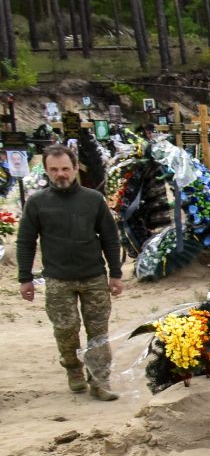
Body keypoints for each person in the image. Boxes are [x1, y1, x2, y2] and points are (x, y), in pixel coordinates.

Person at [16, 142, 123, 400]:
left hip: (94, 277)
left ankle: (100, 380)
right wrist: (25, 278)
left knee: (98, 332)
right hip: (57, 279)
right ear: (46, 171)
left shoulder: (93, 200)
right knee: (65, 329)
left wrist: (116, 274)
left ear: (76, 168)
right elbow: (26, 241)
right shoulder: (37, 203)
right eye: (54, 170)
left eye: (65, 168)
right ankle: (74, 370)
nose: (60, 174)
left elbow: (110, 237)